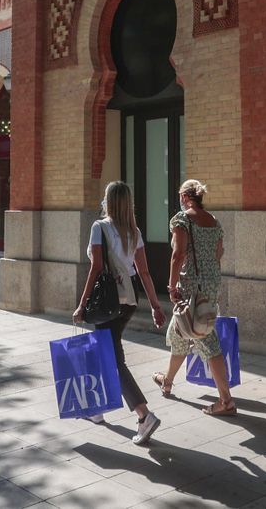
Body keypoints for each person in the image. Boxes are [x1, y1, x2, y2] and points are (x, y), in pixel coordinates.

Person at [73, 181, 167, 445]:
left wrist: (82, 304)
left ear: (109, 201)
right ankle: (97, 409)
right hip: (128, 301)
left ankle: (143, 415)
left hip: (106, 303)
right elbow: (144, 272)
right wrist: (155, 306)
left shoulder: (99, 227)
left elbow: (96, 268)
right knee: (107, 353)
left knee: (114, 360)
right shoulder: (133, 231)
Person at [155, 179, 235, 417]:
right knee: (181, 332)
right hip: (210, 286)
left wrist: (171, 286)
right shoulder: (214, 222)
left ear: (184, 197)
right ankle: (167, 381)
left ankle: (226, 401)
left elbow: (178, 254)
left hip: (191, 288)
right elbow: (218, 253)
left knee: (205, 338)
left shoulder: (181, 220)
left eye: (180, 196)